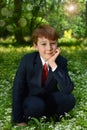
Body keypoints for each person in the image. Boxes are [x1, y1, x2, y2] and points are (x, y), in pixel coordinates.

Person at [12, 24, 75, 126]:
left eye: (53, 43)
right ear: (36, 46)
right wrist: (19, 119)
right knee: (37, 106)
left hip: (50, 98)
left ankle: (51, 115)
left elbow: (67, 89)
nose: (49, 48)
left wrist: (53, 64)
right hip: (32, 100)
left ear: (57, 45)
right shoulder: (27, 60)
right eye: (43, 44)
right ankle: (40, 114)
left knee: (69, 99)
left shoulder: (60, 61)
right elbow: (18, 89)